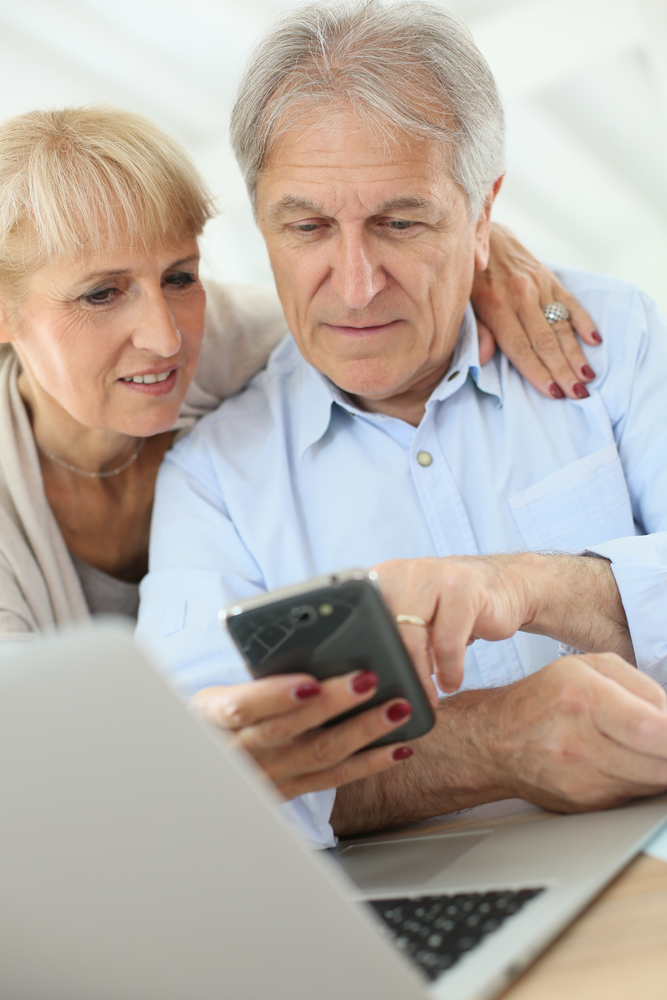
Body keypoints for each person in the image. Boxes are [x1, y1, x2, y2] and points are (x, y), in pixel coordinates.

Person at [136, 0, 667, 850]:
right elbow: (201, 777)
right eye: (306, 226)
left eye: (400, 222)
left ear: (484, 212)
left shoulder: (616, 340)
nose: (353, 285)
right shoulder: (213, 479)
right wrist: (493, 744)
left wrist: (532, 585)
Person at [0, 103, 588, 811]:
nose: (163, 337)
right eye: (101, 294)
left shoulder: (230, 340)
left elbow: (375, 301)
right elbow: (39, 765)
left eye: (180, 276)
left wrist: (487, 258)